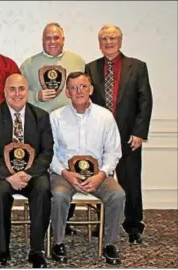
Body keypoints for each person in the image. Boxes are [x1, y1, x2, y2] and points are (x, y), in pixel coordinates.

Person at [49, 71, 126, 265]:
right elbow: (48, 153)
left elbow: (113, 152)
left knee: (118, 195)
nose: (79, 91)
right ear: (67, 92)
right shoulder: (56, 117)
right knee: (58, 196)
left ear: (91, 89)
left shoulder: (105, 116)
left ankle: (110, 243)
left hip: (97, 174)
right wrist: (65, 173)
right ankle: (57, 242)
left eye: (83, 86)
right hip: (65, 174)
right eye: (74, 87)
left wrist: (101, 175)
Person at [85, 24, 153, 244]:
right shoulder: (91, 68)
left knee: (131, 180)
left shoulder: (138, 67)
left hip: (128, 136)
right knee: (101, 180)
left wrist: (139, 132)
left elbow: (145, 101)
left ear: (120, 40)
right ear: (99, 42)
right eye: (104, 38)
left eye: (112, 37)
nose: (108, 42)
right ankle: (103, 222)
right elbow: (86, 103)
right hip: (99, 137)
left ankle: (134, 225)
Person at [0, 73, 53, 268]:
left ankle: (36, 250)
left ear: (28, 92)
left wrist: (29, 174)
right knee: (0, 191)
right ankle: (3, 250)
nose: (17, 93)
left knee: (43, 188)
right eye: (12, 89)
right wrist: (9, 175)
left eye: (21, 89)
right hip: (2, 174)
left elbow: (47, 151)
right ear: (4, 92)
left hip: (33, 174)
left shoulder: (41, 117)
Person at [20, 22, 86, 235]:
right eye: (48, 37)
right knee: (42, 170)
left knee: (70, 166)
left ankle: (64, 220)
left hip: (70, 125)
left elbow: (82, 90)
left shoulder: (77, 61)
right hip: (39, 125)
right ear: (42, 40)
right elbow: (18, 93)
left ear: (63, 39)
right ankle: (41, 218)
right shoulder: (29, 64)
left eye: (56, 37)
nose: (52, 41)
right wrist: (35, 96)